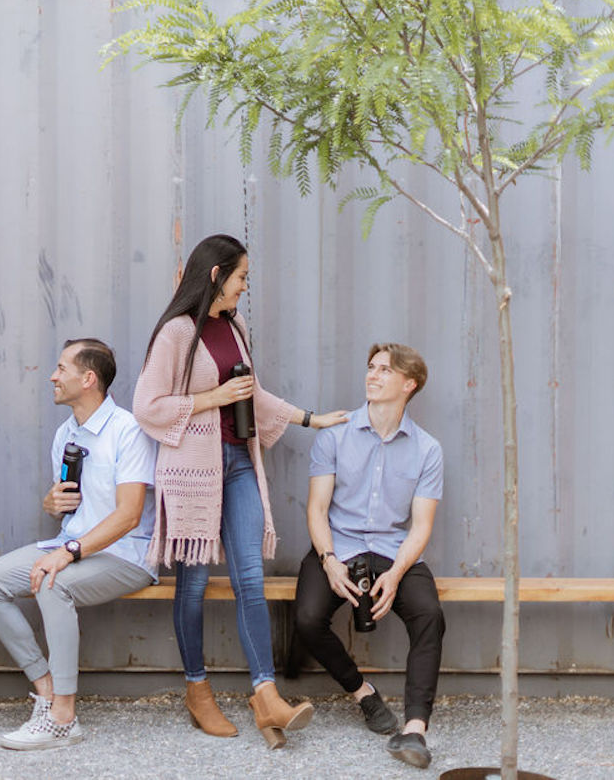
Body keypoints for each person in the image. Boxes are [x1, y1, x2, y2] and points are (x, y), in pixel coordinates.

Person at [132, 233, 346, 749]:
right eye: (241, 277)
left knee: (251, 574)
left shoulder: (235, 326)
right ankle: (197, 689)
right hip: (192, 473)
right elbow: (147, 406)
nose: (245, 287)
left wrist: (308, 418)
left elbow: (251, 391)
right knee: (195, 583)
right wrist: (212, 398)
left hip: (238, 463)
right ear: (215, 276)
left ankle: (265, 695)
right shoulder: (175, 334)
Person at [0, 338, 158, 751]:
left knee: (54, 582)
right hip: (71, 544)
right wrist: (51, 502)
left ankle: (63, 718)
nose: (53, 377)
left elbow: (128, 515)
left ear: (88, 378)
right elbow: (68, 504)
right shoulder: (65, 433)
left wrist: (68, 552)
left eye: (61, 368)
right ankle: (47, 687)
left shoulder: (128, 431)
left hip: (125, 555)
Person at [295, 342, 445, 770]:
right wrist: (327, 559)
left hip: (393, 553)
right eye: (371, 367)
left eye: (384, 370)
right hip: (337, 545)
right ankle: (363, 694)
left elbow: (421, 526)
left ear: (408, 384)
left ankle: (415, 729)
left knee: (429, 616)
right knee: (307, 619)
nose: (372, 375)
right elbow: (316, 509)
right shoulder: (335, 435)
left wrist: (397, 574)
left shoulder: (427, 449)